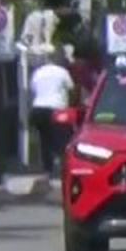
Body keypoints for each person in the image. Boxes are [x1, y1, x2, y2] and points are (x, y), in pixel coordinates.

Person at [28, 46, 77, 181]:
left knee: (44, 140)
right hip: (57, 109)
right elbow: (72, 89)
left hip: (38, 109)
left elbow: (33, 90)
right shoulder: (62, 72)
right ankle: (64, 169)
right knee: (63, 140)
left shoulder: (38, 72)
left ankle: (47, 170)